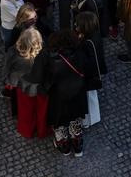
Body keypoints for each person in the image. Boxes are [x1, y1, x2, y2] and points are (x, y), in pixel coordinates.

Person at [33, 28, 90, 156]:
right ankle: (77, 142)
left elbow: (39, 76)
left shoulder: (48, 57)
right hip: (77, 92)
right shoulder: (79, 53)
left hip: (58, 95)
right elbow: (87, 69)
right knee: (75, 116)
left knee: (59, 119)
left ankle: (63, 142)